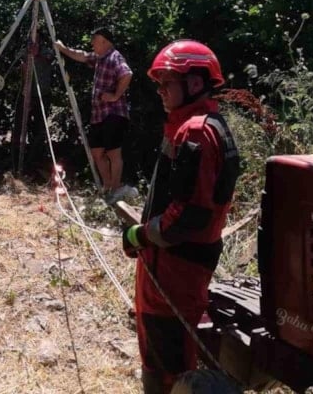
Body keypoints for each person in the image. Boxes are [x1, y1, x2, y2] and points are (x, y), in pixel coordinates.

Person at [121, 40, 240, 393]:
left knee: (167, 351)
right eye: (159, 84)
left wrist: (139, 235)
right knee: (163, 343)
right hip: (174, 259)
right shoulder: (195, 125)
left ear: (195, 82)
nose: (160, 91)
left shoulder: (196, 132)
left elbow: (189, 214)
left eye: (167, 83)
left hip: (174, 264)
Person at [55, 27, 137, 202]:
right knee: (97, 153)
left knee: (113, 153)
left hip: (113, 113)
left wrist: (115, 95)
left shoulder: (114, 57)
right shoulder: (100, 58)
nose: (92, 43)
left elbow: (127, 74)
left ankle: (115, 190)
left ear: (104, 41)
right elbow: (82, 55)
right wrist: (63, 49)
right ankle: (108, 188)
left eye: (95, 40)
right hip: (99, 115)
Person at [11, 37, 55, 173]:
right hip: (25, 94)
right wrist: (26, 59)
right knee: (19, 127)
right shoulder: (24, 51)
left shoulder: (47, 52)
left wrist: (37, 55)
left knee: (39, 129)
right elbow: (16, 63)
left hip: (43, 95)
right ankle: (15, 163)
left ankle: (34, 162)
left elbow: (50, 58)